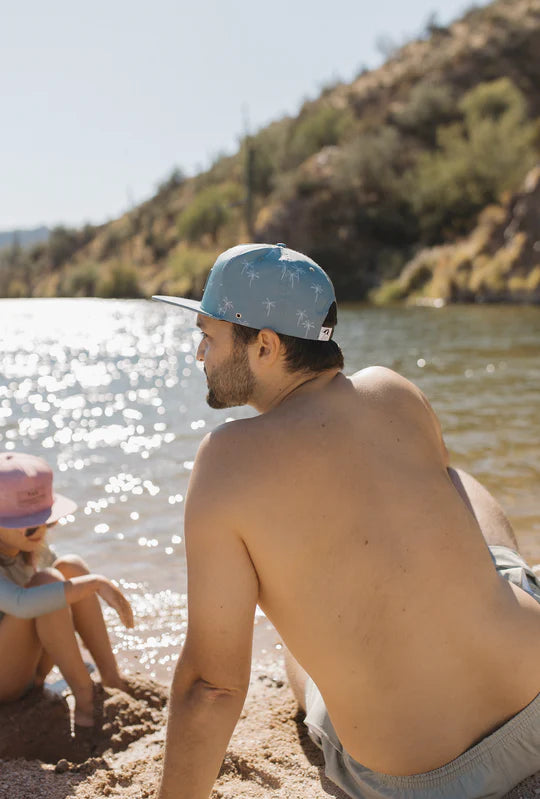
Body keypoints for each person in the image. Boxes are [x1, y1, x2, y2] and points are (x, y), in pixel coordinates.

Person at [152, 243, 540, 799]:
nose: (198, 353)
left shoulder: (226, 460)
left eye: (209, 336)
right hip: (535, 700)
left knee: (299, 659)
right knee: (459, 488)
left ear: (265, 344)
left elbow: (212, 686)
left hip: (425, 778)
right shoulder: (394, 389)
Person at [0, 451, 134, 728]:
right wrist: (96, 584)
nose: (40, 531)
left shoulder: (32, 549)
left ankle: (112, 679)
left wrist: (84, 582)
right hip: (5, 682)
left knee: (70, 567)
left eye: (48, 521)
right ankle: (85, 698)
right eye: (28, 526)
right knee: (50, 582)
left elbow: (60, 593)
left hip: (28, 670)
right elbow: (20, 604)